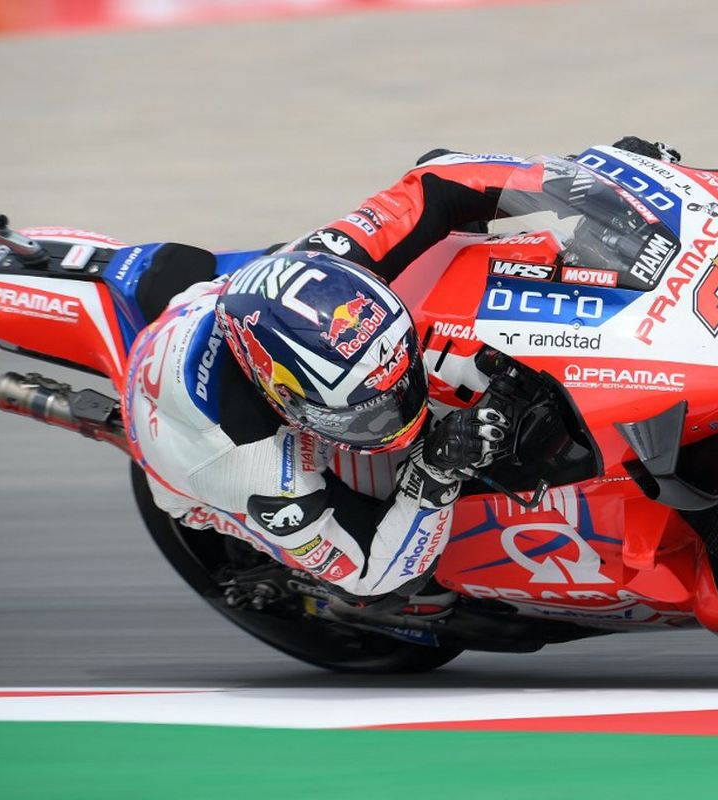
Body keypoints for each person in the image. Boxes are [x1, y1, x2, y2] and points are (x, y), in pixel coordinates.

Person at [122, 136, 679, 615]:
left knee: (461, 262)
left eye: (399, 385)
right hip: (187, 453)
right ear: (286, 401)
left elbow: (438, 178)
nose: (405, 411)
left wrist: (592, 190)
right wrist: (436, 470)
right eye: (374, 411)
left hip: (245, 300)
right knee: (403, 585)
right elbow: (368, 572)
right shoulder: (253, 465)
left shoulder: (336, 260)